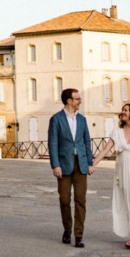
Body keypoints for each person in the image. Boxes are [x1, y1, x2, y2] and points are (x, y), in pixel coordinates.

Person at [92, 102, 130, 249]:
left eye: (126, 110)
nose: (123, 112)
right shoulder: (117, 132)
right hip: (121, 174)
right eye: (122, 110)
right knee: (124, 203)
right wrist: (92, 164)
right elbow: (105, 150)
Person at [47, 87, 94, 247]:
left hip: (80, 164)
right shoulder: (56, 119)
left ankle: (78, 235)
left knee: (80, 200)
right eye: (77, 99)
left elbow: (86, 141)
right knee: (64, 200)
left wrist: (89, 163)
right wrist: (55, 165)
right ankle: (67, 229)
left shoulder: (82, 119)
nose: (80, 101)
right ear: (69, 101)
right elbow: (53, 143)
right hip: (64, 164)